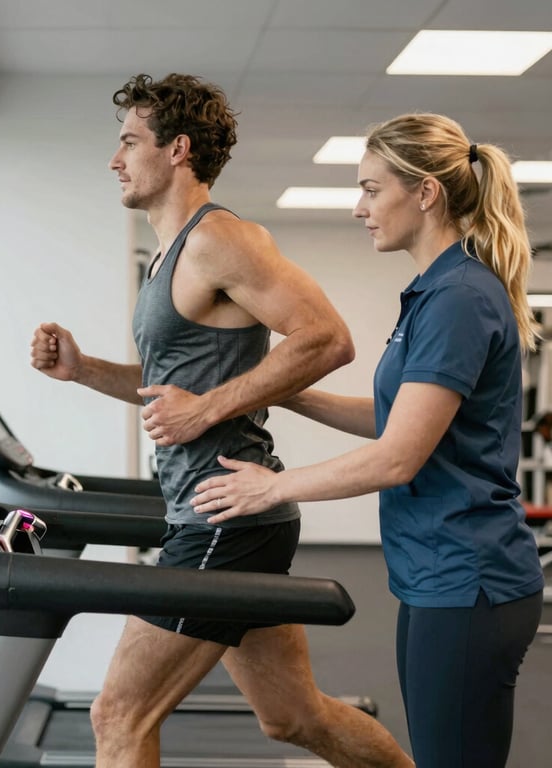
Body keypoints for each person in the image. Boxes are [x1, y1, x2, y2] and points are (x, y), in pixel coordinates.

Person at [30, 73, 414, 767]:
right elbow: (169, 391)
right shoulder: (170, 258)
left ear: (177, 149)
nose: (115, 159)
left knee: (118, 714)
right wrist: (84, 370)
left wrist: (206, 408)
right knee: (296, 719)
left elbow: (327, 337)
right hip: (224, 518)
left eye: (128, 142)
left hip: (223, 521)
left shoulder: (219, 240)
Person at [192, 112, 545, 768]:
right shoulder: (437, 291)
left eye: (371, 189)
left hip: (468, 580)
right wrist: (278, 388)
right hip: (439, 574)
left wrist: (272, 486)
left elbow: (398, 455)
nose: (360, 208)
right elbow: (397, 419)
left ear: (425, 193)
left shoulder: (460, 297)